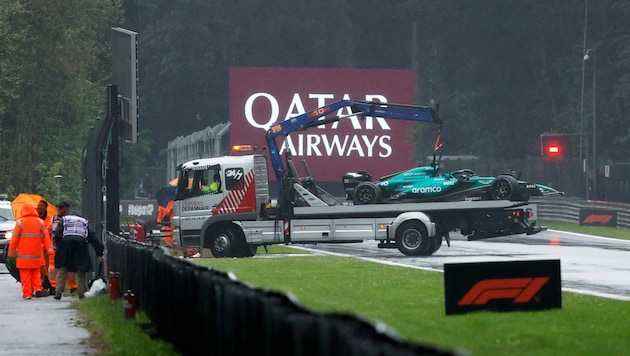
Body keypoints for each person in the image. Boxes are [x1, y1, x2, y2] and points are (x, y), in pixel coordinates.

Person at [6, 203, 55, 299]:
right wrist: (50, 251)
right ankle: (37, 289)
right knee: (36, 273)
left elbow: (14, 239)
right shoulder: (40, 222)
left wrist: (11, 253)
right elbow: (46, 238)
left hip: (23, 256)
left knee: (25, 276)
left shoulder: (20, 222)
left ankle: (27, 294)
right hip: (37, 255)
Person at [53, 210, 104, 300]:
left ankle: (58, 291)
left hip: (66, 242)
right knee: (81, 268)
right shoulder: (84, 221)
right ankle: (81, 293)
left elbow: (57, 234)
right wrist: (99, 253)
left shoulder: (64, 219)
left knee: (63, 267)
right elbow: (93, 236)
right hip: (80, 242)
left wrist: (59, 247)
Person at [49, 201, 78, 295]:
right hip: (55, 248)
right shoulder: (52, 220)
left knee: (69, 267)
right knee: (54, 268)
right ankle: (54, 286)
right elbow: (48, 232)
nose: (63, 211)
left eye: (65, 209)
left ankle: (73, 286)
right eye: (61, 209)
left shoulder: (70, 220)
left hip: (67, 248)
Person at [36, 200, 54, 296]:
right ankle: (40, 287)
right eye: (38, 206)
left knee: (46, 269)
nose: (39, 207)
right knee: (38, 269)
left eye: (41, 206)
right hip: (37, 249)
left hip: (46, 250)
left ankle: (47, 287)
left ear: (45, 208)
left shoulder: (49, 220)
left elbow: (50, 235)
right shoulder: (35, 220)